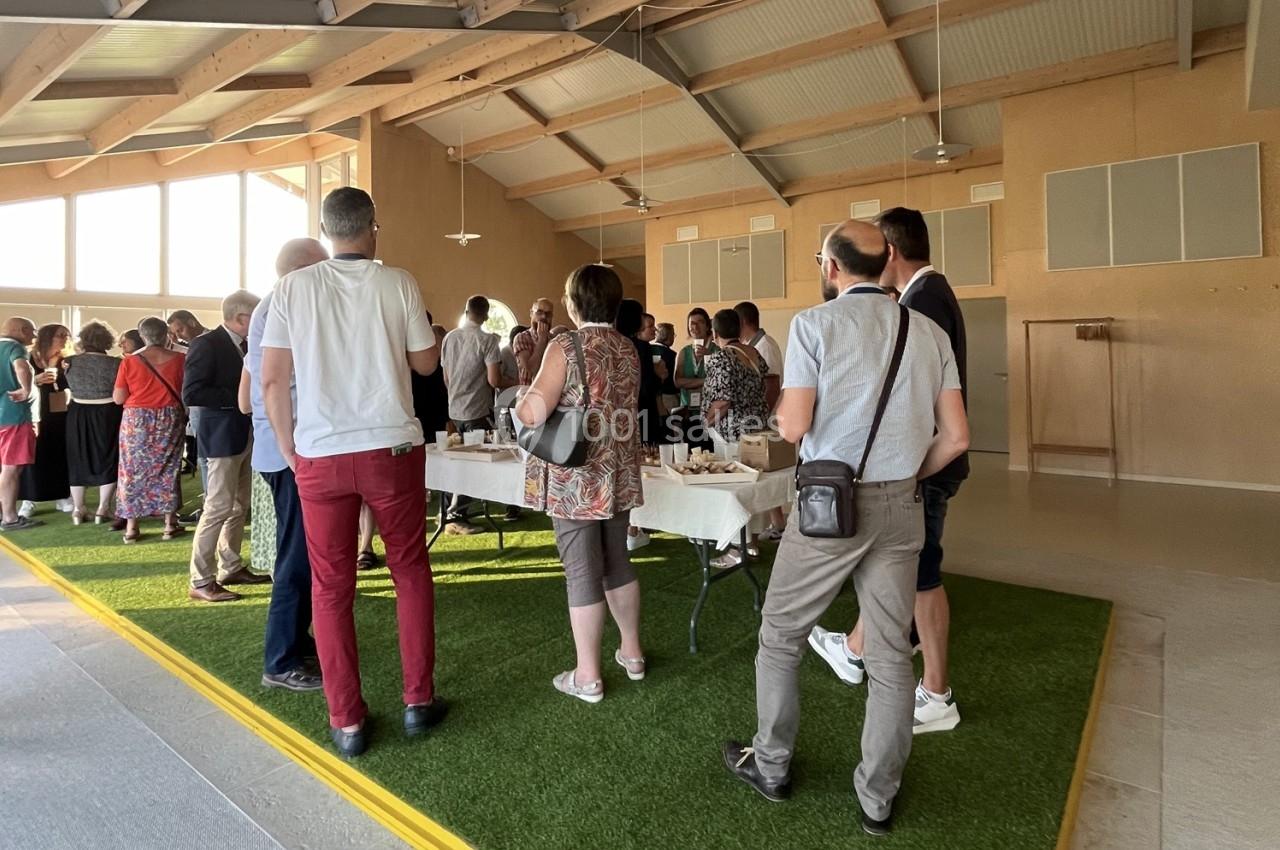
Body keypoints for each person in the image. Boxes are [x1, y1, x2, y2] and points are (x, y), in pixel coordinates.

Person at [721, 220, 969, 837]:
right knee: (889, 656)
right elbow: (957, 437)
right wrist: (907, 473)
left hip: (829, 505)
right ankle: (877, 799)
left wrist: (789, 413)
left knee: (781, 634)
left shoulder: (814, 325)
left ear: (831, 267)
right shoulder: (928, 331)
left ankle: (771, 764)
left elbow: (792, 427)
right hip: (902, 505)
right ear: (887, 260)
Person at [261, 187, 445, 759]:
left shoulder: (292, 289)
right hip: (391, 446)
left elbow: (272, 380)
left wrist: (290, 448)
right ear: (373, 227)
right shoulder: (399, 282)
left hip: (320, 453)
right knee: (409, 571)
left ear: (325, 230)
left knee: (331, 586)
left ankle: (347, 720)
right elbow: (425, 363)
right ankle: (418, 700)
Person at [808, 207, 970, 736]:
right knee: (902, 569)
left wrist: (906, 468)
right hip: (924, 459)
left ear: (890, 252)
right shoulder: (927, 296)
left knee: (920, 576)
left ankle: (937, 693)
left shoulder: (922, 305)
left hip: (923, 462)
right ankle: (855, 649)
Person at [516, 263, 645, 703]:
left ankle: (587, 675)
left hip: (576, 476)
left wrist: (522, 398)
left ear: (573, 304)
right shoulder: (627, 347)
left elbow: (533, 412)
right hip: (617, 469)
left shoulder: (566, 345)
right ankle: (631, 653)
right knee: (618, 561)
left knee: (582, 571)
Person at [242, 237, 329, 691]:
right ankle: (280, 660)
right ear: (303, 271)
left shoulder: (271, 306)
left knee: (303, 551)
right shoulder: (284, 304)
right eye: (323, 268)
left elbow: (252, 389)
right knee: (296, 556)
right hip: (290, 451)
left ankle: (296, 638)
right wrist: (291, 449)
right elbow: (274, 383)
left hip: (280, 447)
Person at [183, 291, 269, 603]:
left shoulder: (247, 344)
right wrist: (242, 398)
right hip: (220, 437)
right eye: (257, 316)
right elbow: (192, 393)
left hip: (244, 434)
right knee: (218, 506)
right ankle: (201, 579)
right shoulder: (206, 344)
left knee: (239, 505)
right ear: (242, 317)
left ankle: (230, 566)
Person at [113, 317, 188, 543]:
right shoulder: (181, 360)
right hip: (170, 416)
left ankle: (131, 527)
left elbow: (118, 398)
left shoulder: (129, 362)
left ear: (142, 336)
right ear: (166, 334)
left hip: (136, 419)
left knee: (131, 470)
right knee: (169, 468)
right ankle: (169, 524)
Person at [440, 295, 508, 535]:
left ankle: (445, 511)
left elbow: (446, 377)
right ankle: (457, 516)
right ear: (486, 316)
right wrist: (518, 382)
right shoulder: (488, 340)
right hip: (477, 410)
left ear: (465, 311)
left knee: (454, 461)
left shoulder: (449, 337)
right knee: (472, 465)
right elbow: (494, 380)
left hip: (454, 409)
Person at [63, 321, 123, 525]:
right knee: (109, 457)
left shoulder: (69, 362)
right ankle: (103, 508)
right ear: (107, 341)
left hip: (77, 412)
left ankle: (78, 509)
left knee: (77, 457)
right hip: (108, 412)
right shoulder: (116, 363)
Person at [735, 301, 786, 539]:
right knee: (764, 475)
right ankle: (777, 523)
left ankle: (765, 530)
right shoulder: (755, 346)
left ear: (743, 322)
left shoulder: (764, 346)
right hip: (761, 417)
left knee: (763, 476)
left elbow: (772, 385)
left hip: (764, 419)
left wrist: (764, 421)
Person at [18, 324, 73, 518]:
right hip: (32, 411)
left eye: (66, 335)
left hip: (57, 413)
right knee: (33, 454)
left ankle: (62, 495)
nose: (65, 339)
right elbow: (15, 383)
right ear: (48, 337)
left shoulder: (65, 360)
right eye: (60, 335)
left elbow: (68, 386)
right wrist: (36, 380)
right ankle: (29, 499)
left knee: (58, 452)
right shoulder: (28, 358)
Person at [0, 317, 39, 531]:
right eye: (32, 331)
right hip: (14, 416)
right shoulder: (15, 348)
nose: (34, 336)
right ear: (22, 330)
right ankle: (10, 518)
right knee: (11, 468)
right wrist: (26, 389)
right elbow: (22, 368)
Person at [674, 308, 717, 449]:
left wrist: (708, 357)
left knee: (712, 454)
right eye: (692, 323)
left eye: (700, 322)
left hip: (712, 413)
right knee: (692, 454)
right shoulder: (684, 352)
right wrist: (705, 381)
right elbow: (677, 381)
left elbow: (720, 381)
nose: (695, 326)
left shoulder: (716, 351)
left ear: (708, 326)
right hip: (688, 412)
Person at [512, 297, 555, 385]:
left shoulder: (555, 340)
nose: (544, 317)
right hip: (530, 391)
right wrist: (542, 340)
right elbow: (529, 372)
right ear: (531, 313)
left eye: (548, 314)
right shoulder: (522, 338)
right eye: (539, 312)